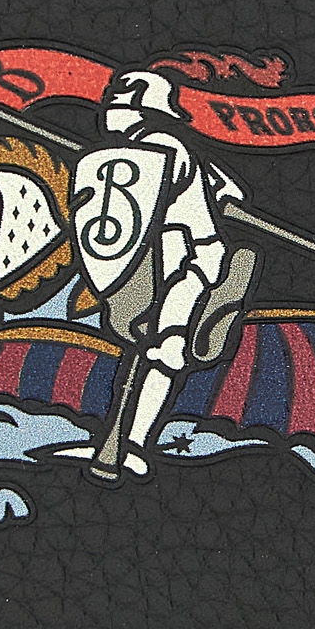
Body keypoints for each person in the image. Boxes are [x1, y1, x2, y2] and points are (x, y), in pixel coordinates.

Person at [73, 68, 258, 481]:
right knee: (143, 345)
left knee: (165, 348)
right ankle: (117, 440)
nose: (110, 106)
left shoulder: (162, 145)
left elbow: (170, 206)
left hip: (191, 257)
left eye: (121, 100)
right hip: (158, 251)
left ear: (145, 108)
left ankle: (134, 446)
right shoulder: (145, 148)